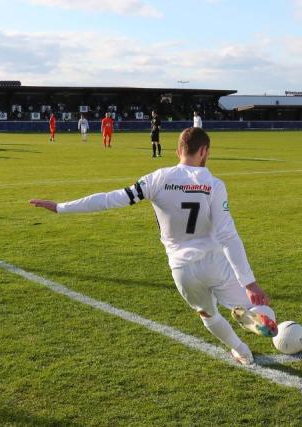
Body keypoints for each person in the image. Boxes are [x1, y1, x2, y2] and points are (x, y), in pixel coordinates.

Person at [29, 127, 274, 366]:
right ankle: (257, 318)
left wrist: (61, 207)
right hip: (213, 262)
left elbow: (110, 199)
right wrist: (249, 282)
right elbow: (227, 235)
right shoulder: (213, 184)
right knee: (258, 307)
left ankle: (242, 351)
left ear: (178, 150)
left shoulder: (158, 178)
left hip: (182, 268)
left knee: (208, 314)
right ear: (204, 151)